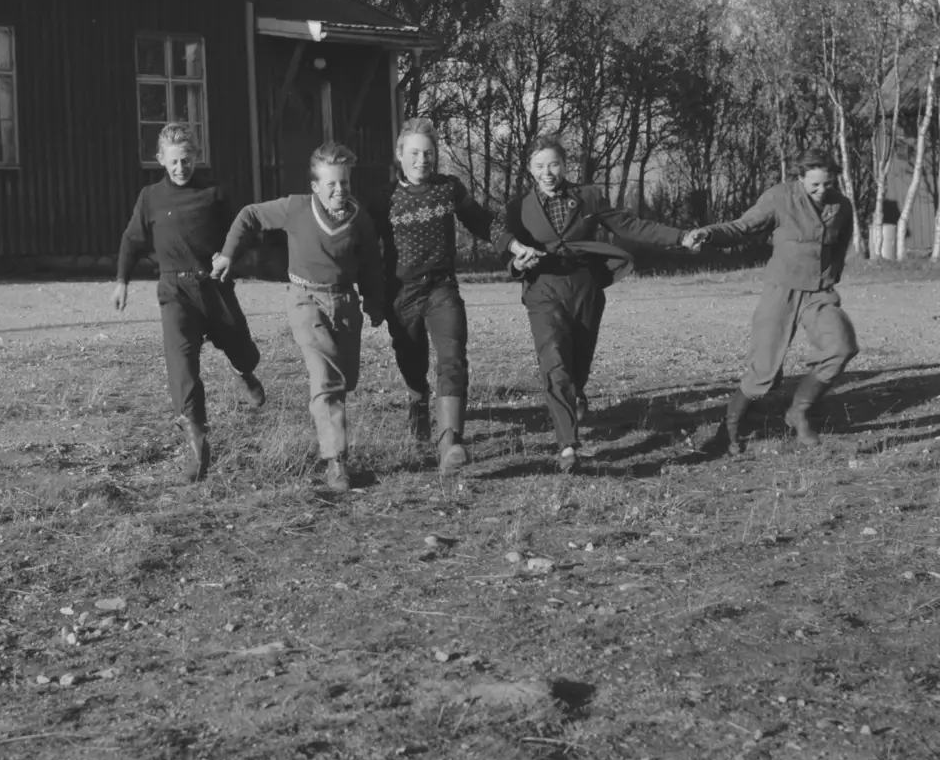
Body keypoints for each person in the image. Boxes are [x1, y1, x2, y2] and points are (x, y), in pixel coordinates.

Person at [496, 135, 701, 473]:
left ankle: (576, 393)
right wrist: (518, 264)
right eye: (539, 166)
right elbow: (507, 248)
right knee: (554, 361)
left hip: (585, 287)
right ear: (530, 169)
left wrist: (679, 237)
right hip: (542, 288)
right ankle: (568, 446)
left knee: (577, 365)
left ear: (564, 165)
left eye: (554, 164)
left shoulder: (589, 197)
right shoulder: (518, 208)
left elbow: (630, 225)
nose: (547, 172)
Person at [212, 141, 384, 493]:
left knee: (345, 380)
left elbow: (371, 264)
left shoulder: (359, 219)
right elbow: (249, 214)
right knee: (327, 380)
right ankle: (337, 462)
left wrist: (376, 302)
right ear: (316, 186)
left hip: (346, 303)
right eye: (331, 184)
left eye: (345, 183)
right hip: (305, 299)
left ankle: (333, 436)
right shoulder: (296, 208)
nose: (339, 190)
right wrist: (229, 254)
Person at [113, 123, 266, 484]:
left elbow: (243, 234)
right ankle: (197, 443)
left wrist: (229, 255)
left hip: (214, 286)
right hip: (174, 292)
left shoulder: (213, 193)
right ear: (160, 160)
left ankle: (245, 373)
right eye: (173, 161)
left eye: (186, 160)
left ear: (196, 157)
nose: (180, 168)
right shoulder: (150, 197)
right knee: (181, 367)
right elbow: (132, 240)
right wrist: (121, 282)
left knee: (240, 347)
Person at [368, 118, 522, 472]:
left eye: (429, 153)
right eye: (415, 153)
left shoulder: (449, 189)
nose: (423, 160)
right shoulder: (382, 199)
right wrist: (370, 294)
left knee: (453, 358)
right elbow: (362, 246)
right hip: (401, 293)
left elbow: (481, 220)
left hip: (441, 288)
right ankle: (418, 399)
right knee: (412, 360)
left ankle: (450, 441)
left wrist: (512, 245)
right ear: (399, 156)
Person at [689, 148, 858, 452]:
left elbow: (841, 245)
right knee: (763, 369)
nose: (822, 191)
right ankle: (729, 430)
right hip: (781, 290)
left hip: (819, 292)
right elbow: (744, 227)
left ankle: (799, 412)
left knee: (841, 346)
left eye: (828, 184)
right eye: (815, 185)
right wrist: (709, 234)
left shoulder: (842, 206)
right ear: (800, 178)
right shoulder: (780, 198)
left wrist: (831, 278)